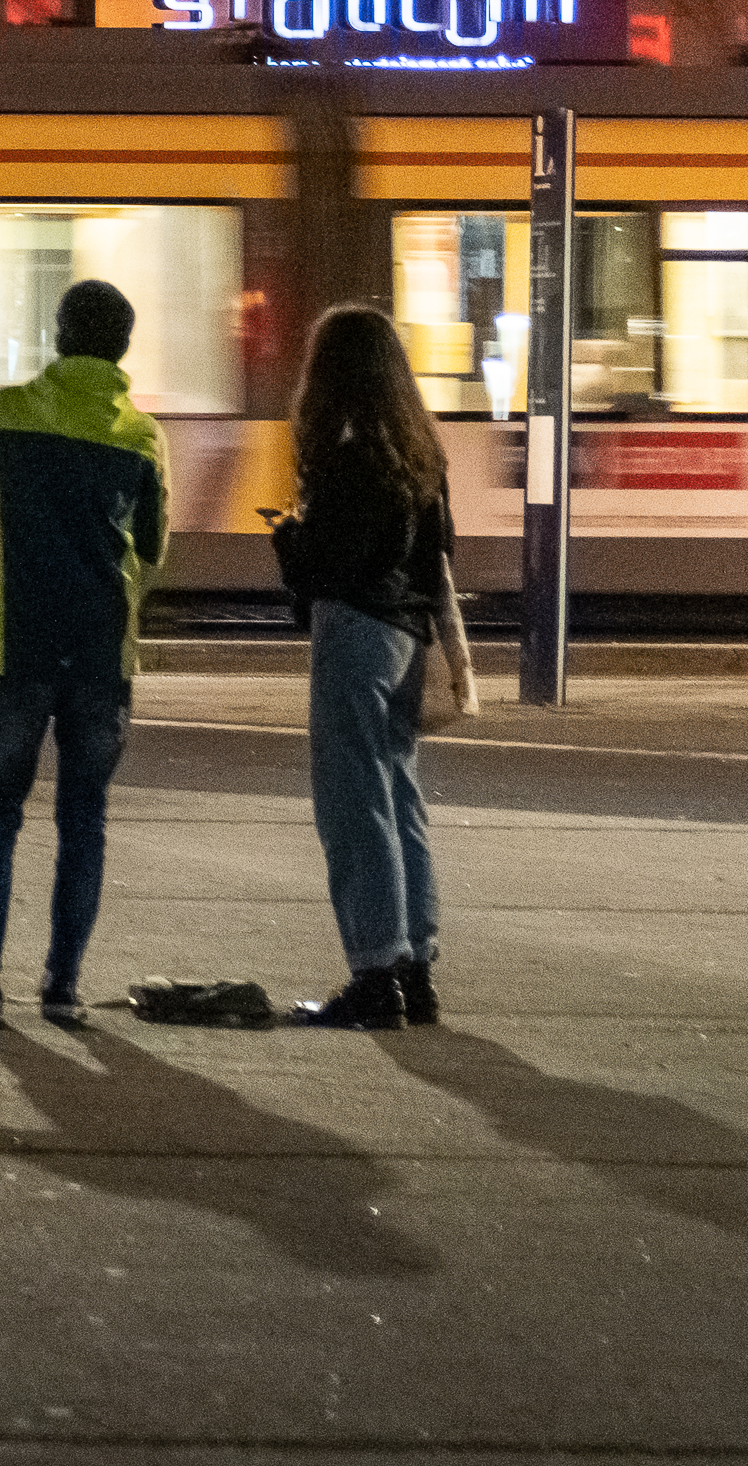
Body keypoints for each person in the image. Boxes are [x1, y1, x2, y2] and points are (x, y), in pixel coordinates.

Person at [0, 276, 174, 1026]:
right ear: (123, 348)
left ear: (59, 336)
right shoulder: (142, 435)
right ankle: (62, 986)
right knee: (84, 819)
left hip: (19, 647)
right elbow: (156, 547)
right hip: (102, 654)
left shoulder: (9, 411)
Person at [274, 302, 459, 1029]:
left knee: (355, 803)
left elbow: (332, 564)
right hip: (410, 635)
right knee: (400, 794)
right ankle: (416, 968)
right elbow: (439, 552)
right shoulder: (419, 447)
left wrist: (291, 540)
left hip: (356, 630)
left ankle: (374, 972)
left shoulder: (351, 452)